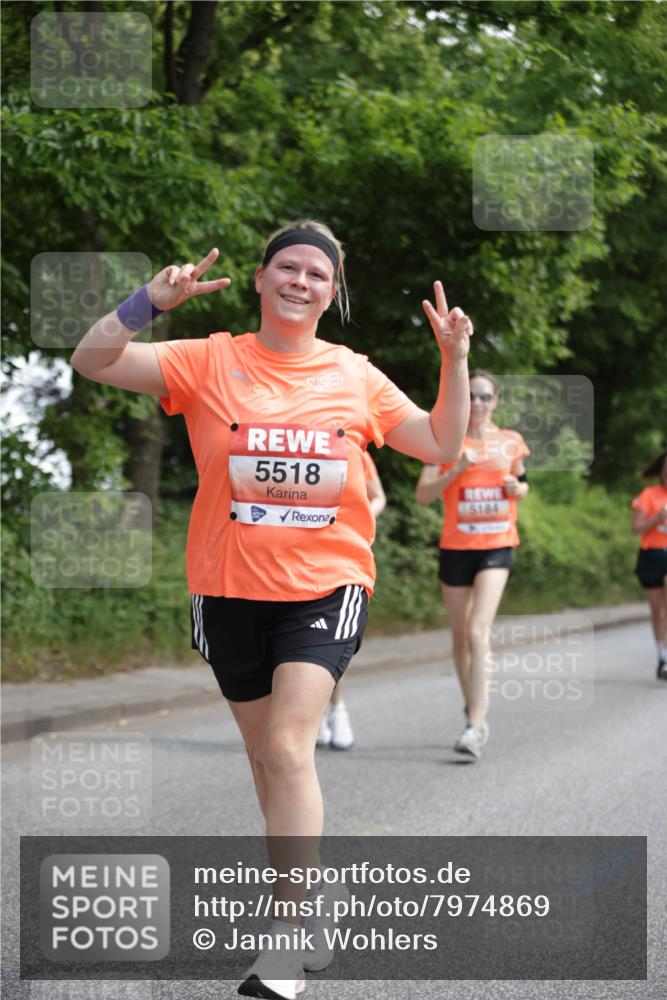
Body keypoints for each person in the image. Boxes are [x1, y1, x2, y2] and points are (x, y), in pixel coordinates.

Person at [70, 219, 473, 999]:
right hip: (225, 589)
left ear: (332, 292)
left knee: (289, 747)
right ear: (259, 279)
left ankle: (285, 941)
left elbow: (439, 442)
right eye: (286, 267)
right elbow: (94, 361)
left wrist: (452, 359)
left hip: (325, 585)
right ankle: (312, 906)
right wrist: (143, 305)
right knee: (266, 761)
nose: (300, 280)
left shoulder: (354, 376)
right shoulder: (209, 359)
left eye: (317, 274)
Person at [415, 370, 529, 760]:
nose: (478, 404)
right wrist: (458, 468)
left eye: (485, 397)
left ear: (496, 401)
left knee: (479, 630)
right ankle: (472, 709)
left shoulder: (511, 442)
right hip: (456, 548)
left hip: (497, 546)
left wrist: (519, 488)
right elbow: (423, 497)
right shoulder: (444, 441)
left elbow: (522, 481)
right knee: (460, 637)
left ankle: (476, 723)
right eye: (473, 397)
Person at [316, 449, 386, 750]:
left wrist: (361, 517)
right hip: (288, 556)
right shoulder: (287, 440)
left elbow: (379, 496)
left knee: (328, 642)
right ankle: (313, 715)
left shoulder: (351, 448)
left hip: (337, 557)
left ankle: (337, 710)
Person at [630, 448, 667, 679]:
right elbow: (635, 529)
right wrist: (657, 518)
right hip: (651, 555)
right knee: (657, 611)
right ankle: (662, 656)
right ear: (661, 472)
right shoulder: (649, 495)